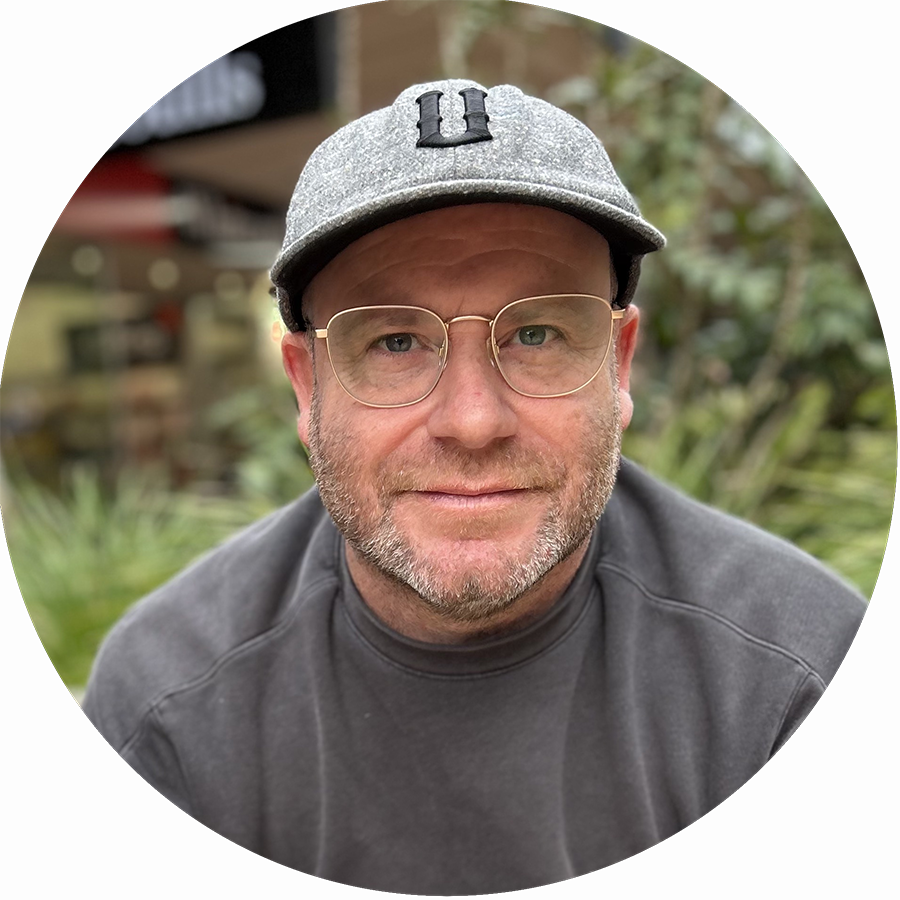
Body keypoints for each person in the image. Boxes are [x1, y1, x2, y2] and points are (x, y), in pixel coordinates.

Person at [83, 80, 865, 893]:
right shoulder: (169, 706)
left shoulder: (792, 675)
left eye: (537, 334)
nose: (473, 421)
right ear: (307, 388)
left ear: (618, 365)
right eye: (394, 342)